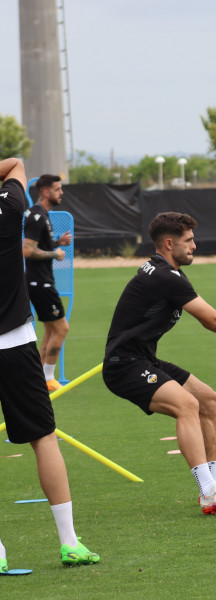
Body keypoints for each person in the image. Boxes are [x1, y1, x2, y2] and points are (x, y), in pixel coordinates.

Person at [102, 212, 216, 515]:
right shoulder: (164, 277)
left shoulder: (167, 272)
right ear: (169, 243)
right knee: (187, 405)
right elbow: (213, 320)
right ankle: (209, 491)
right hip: (123, 365)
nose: (194, 246)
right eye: (188, 241)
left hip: (143, 358)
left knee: (209, 400)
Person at [0, 158, 99, 570]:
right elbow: (16, 163)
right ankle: (70, 542)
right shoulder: (9, 206)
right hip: (15, 343)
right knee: (44, 436)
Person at [23, 174, 72, 391]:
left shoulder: (43, 215)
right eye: (58, 189)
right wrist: (55, 254)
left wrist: (56, 242)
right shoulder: (36, 216)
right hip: (40, 283)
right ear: (45, 192)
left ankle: (41, 378)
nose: (61, 192)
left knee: (52, 330)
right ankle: (49, 378)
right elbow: (27, 250)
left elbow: (38, 243)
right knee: (62, 328)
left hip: (40, 281)